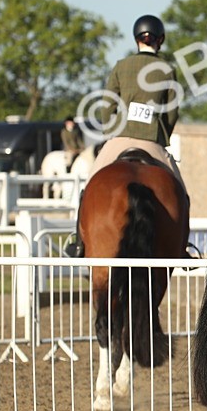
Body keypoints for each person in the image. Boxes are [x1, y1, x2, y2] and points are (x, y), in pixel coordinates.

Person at [65, 14, 184, 258]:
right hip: (152, 140)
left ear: (136, 39)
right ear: (159, 40)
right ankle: (182, 248)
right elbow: (171, 113)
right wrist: (163, 138)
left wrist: (112, 134)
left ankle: (77, 243)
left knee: (89, 188)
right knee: (180, 191)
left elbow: (107, 107)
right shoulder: (167, 69)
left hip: (118, 139)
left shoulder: (121, 66)